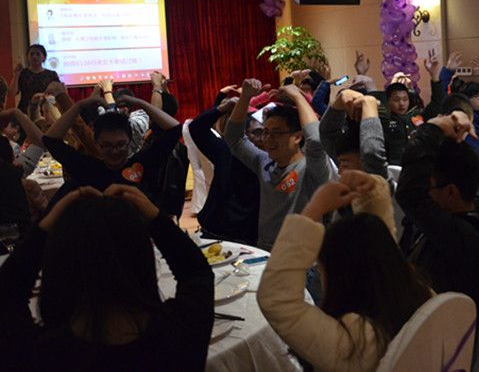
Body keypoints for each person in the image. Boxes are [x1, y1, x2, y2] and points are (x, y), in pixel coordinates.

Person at [0, 184, 213, 372]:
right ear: (143, 258)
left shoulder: (40, 356)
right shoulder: (180, 334)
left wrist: (44, 229)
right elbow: (196, 272)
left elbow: (7, 294)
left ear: (58, 266)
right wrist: (156, 219)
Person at [258, 170, 431, 372]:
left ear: (341, 278)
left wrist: (314, 209)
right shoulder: (420, 296)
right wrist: (371, 193)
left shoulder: (355, 343)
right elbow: (379, 246)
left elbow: (277, 299)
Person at [396, 110, 479, 315]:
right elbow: (461, 164)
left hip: (433, 327)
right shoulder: (472, 204)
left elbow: (410, 194)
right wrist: (452, 125)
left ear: (450, 192)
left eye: (429, 188)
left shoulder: (464, 237)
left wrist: (433, 128)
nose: (426, 193)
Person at [223, 80, 332, 251]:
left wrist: (298, 96)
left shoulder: (312, 167)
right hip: (266, 249)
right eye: (266, 132)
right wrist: (245, 97)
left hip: (302, 253)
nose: (268, 139)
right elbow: (233, 138)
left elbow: (315, 140)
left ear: (297, 137)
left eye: (277, 133)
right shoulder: (264, 162)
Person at [41, 93, 184, 216]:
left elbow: (175, 129)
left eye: (120, 145)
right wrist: (80, 105)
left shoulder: (143, 163)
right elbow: (50, 140)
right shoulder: (87, 168)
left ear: (129, 141)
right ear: (96, 143)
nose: (114, 151)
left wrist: (140, 103)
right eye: (107, 146)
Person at [188, 95, 261, 246]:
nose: (263, 138)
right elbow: (196, 128)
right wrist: (221, 109)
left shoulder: (270, 159)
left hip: (248, 236)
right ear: (243, 135)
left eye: (266, 133)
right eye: (257, 133)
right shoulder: (225, 151)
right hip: (216, 231)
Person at [376, 50, 445, 165]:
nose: (401, 103)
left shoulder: (417, 115)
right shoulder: (385, 118)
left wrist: (434, 76)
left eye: (405, 99)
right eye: (396, 100)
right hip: (396, 167)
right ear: (388, 102)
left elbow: (437, 103)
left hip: (420, 164)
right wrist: (393, 83)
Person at [320, 89, 387, 178]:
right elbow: (328, 134)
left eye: (345, 166)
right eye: (340, 164)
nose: (339, 172)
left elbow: (371, 152)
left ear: (363, 161)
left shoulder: (380, 182)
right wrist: (339, 101)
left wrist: (368, 103)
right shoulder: (348, 179)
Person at [8, 44, 61, 113]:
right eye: (32, 54)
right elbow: (12, 93)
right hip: (25, 111)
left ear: (44, 58)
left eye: (38, 54)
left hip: (46, 111)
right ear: (27, 57)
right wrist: (16, 74)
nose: (34, 56)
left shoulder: (51, 74)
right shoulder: (22, 73)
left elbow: (58, 94)